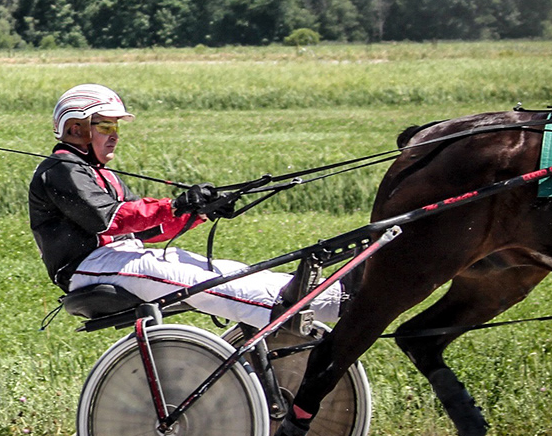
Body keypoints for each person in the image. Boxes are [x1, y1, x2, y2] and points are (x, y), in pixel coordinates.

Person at [28, 83, 343, 330]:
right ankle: (285, 318)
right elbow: (109, 219)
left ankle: (332, 298)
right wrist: (174, 204)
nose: (115, 136)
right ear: (75, 129)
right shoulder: (61, 169)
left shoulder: (101, 174)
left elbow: (148, 229)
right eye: (106, 127)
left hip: (118, 258)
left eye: (116, 128)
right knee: (202, 282)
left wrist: (196, 213)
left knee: (225, 270)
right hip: (87, 269)